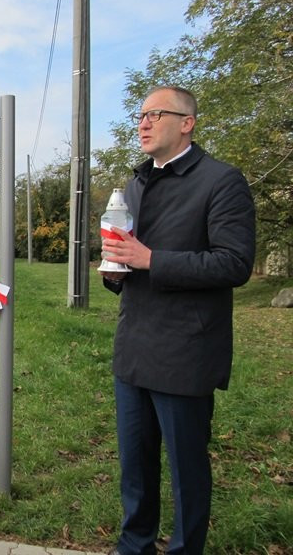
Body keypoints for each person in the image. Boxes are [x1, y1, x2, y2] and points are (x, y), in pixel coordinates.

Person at [100, 86, 255, 555]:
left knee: (187, 471)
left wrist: (151, 260)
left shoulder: (221, 181)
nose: (143, 124)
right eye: (140, 116)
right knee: (136, 468)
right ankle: (135, 545)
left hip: (186, 352)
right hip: (134, 350)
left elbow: (234, 263)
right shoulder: (135, 184)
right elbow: (130, 260)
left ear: (187, 122)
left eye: (155, 114)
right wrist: (115, 268)